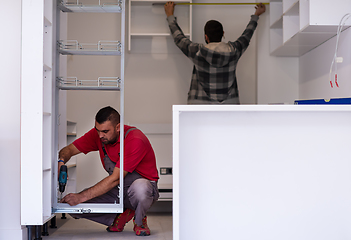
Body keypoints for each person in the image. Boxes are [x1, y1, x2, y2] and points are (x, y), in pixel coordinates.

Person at [58, 106, 159, 236]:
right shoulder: (99, 135)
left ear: (118, 127)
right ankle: (122, 214)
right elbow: (69, 149)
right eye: (97, 130)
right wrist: (61, 161)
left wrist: (81, 196)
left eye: (105, 131)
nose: (100, 135)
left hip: (141, 188)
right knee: (72, 207)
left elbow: (115, 178)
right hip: (118, 188)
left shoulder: (134, 139)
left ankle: (140, 220)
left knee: (141, 188)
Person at [164, 2, 266, 104]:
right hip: (229, 107)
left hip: (200, 107)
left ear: (206, 36)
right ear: (223, 33)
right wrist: (256, 15)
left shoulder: (197, 51)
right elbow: (247, 35)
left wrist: (170, 15)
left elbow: (179, 38)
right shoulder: (235, 50)